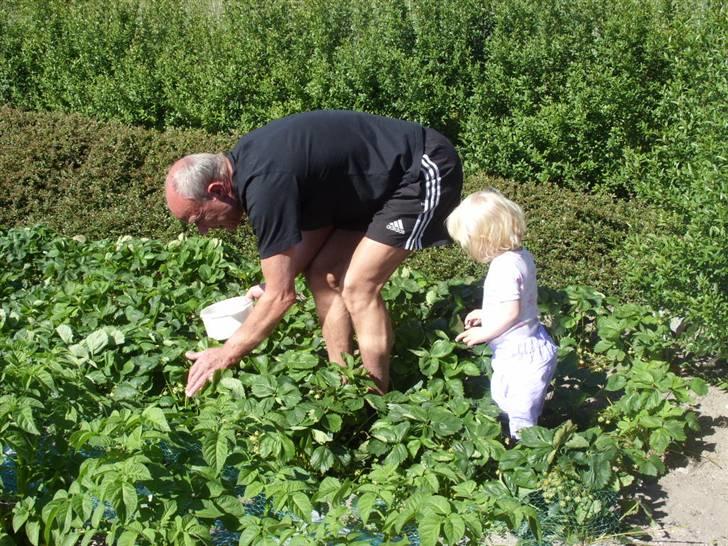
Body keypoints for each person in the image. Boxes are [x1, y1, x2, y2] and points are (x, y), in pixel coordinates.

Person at [164, 110, 463, 396]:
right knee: (323, 275)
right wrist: (277, 281)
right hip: (369, 189)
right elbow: (315, 228)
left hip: (420, 168)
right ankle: (345, 387)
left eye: (199, 219)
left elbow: (281, 298)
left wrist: (226, 354)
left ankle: (375, 401)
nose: (203, 230)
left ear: (217, 190)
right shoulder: (250, 166)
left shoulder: (264, 187)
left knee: (359, 287)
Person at [446, 189, 557, 439]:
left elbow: (510, 312)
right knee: (515, 401)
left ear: (485, 238)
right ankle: (528, 433)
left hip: (520, 356)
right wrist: (485, 312)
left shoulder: (503, 267)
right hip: (531, 343)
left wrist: (484, 332)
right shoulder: (521, 256)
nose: (468, 250)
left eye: (469, 243)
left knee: (519, 410)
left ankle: (527, 451)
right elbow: (515, 302)